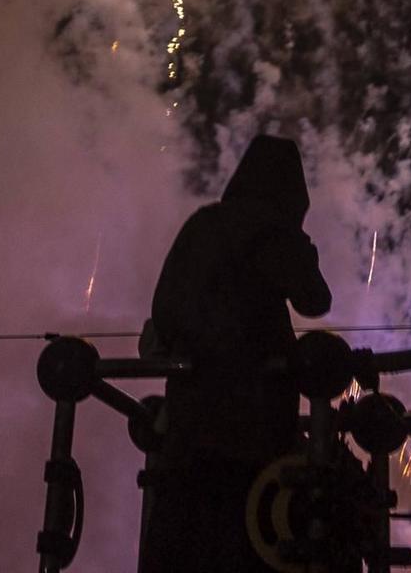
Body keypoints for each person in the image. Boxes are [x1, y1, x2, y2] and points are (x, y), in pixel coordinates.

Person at [139, 134, 333, 572]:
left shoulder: (203, 225)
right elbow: (316, 299)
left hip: (185, 437)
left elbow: (165, 312)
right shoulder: (268, 229)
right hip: (250, 443)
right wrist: (303, 248)